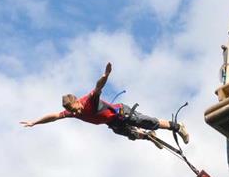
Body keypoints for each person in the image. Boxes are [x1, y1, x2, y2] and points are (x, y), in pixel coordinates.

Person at [20, 62, 190, 146]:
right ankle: (150, 137)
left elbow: (98, 86)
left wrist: (105, 75)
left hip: (121, 112)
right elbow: (55, 116)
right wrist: (34, 122)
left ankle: (177, 126)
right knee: (130, 135)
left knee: (147, 122)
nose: (76, 113)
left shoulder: (88, 100)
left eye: (74, 109)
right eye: (72, 111)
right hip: (112, 122)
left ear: (77, 101)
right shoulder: (72, 112)